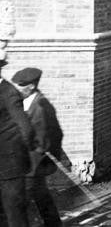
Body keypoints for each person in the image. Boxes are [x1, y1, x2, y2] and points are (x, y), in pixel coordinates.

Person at [12, 68, 63, 227]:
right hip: (29, 163)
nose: (17, 89)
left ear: (31, 86)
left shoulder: (42, 107)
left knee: (23, 200)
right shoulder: (25, 102)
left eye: (21, 85)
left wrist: (42, 154)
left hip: (33, 163)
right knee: (42, 198)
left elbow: (55, 134)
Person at [0, 51, 34, 227]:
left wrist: (21, 152)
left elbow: (25, 128)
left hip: (11, 165)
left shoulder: (8, 92)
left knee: (15, 215)